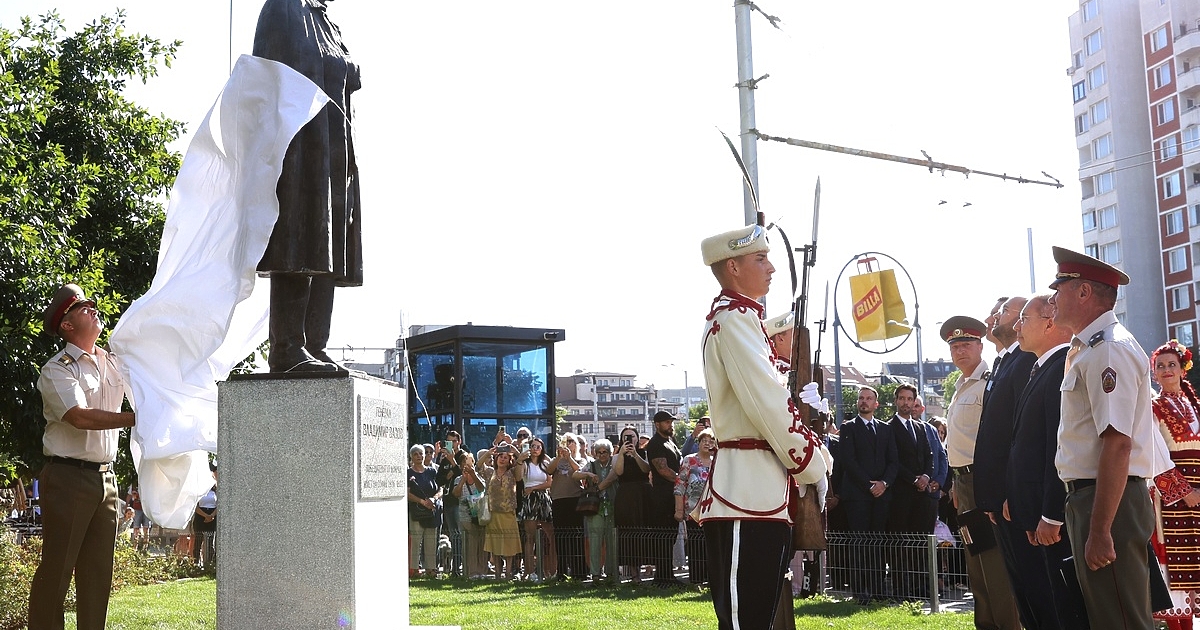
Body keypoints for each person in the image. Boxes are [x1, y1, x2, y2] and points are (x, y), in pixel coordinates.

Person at [697, 225, 830, 629]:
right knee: (745, 619)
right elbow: (768, 403)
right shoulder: (735, 318)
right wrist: (811, 462)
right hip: (746, 494)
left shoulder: (744, 318)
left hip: (760, 493)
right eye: (760, 259)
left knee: (758, 612)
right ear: (733, 266)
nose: (771, 268)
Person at [1049, 246, 1161, 630]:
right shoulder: (1091, 347)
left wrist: (1099, 530)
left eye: (1059, 288)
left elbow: (1118, 444)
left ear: (1083, 293)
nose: (1052, 299)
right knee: (1107, 617)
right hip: (1094, 498)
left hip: (1107, 500)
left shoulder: (1108, 348)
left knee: (1121, 620)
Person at [252, 0, 363, 372]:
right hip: (299, 146)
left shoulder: (326, 21)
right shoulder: (283, 8)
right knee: (298, 243)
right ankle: (286, 346)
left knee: (329, 245)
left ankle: (316, 344)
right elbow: (260, 80)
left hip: (334, 149)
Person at [28, 283, 136, 630]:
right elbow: (79, 416)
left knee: (97, 576)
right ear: (67, 325)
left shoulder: (114, 361)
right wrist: (135, 420)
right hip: (68, 476)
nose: (93, 309)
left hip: (106, 478)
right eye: (83, 308)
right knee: (57, 571)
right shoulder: (58, 368)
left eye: (92, 304)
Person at [1005, 294, 1090, 630]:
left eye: (1023, 318)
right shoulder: (1042, 368)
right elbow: (1025, 445)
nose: (1016, 326)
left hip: (1053, 519)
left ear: (1049, 322)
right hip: (1035, 512)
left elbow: (1058, 448)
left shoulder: (1059, 370)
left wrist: (1050, 514)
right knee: (1049, 600)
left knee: (1065, 607)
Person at [941, 315, 1020, 630]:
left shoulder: (990, 381)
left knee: (995, 566)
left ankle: (1007, 624)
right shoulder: (961, 385)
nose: (960, 351)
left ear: (980, 345)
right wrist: (956, 487)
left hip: (984, 479)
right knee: (976, 565)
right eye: (954, 346)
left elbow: (1000, 438)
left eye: (966, 344)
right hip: (963, 482)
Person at [976, 296, 1043, 628]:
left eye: (1002, 311)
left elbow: (1020, 436)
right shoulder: (1003, 363)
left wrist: (1007, 492)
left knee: (1033, 585)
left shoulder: (1024, 361)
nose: (993, 317)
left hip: (1013, 497)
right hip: (1000, 497)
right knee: (1021, 586)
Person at [1148, 340, 1200, 630]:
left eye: (1172, 364)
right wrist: (1184, 491)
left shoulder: (1196, 406)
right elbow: (1155, 454)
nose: (1166, 370)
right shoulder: (1153, 408)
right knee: (1176, 580)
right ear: (1154, 373)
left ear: (1183, 369)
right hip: (1171, 502)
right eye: (1160, 366)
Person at [835, 385, 898, 603]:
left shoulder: (885, 429)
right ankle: (860, 591)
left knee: (878, 543)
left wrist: (884, 483)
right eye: (861, 398)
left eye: (868, 398)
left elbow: (893, 461)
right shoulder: (849, 428)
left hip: (882, 495)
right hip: (857, 495)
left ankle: (879, 589)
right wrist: (869, 485)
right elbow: (848, 461)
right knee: (860, 543)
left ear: (876, 404)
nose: (864, 401)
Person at [885, 383, 936, 598]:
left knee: (920, 542)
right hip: (900, 494)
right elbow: (892, 460)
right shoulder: (888, 428)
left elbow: (929, 456)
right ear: (896, 401)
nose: (906, 403)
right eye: (902, 398)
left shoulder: (921, 428)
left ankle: (920, 587)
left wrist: (925, 476)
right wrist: (913, 479)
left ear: (914, 402)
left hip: (922, 495)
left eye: (909, 399)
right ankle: (901, 588)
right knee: (900, 543)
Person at [573, 439, 619, 583]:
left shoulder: (615, 464)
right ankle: (595, 573)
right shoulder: (591, 464)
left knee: (612, 540)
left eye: (604, 452)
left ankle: (611, 572)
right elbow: (575, 475)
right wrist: (589, 475)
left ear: (610, 452)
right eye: (598, 452)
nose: (602, 455)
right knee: (595, 539)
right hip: (595, 507)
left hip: (613, 504)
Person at [646, 410, 683, 587]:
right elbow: (663, 470)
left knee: (671, 537)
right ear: (657, 424)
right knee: (663, 537)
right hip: (662, 496)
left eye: (671, 422)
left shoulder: (671, 441)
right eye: (667, 422)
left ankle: (667, 575)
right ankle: (662, 577)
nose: (671, 425)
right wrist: (682, 480)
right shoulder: (655, 444)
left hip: (673, 494)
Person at [675, 427, 714, 585]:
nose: (707, 443)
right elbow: (680, 485)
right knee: (695, 544)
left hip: (712, 510)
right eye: (703, 440)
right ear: (698, 443)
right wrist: (678, 509)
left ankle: (710, 578)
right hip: (693, 510)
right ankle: (696, 578)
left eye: (710, 440)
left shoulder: (718, 461)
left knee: (710, 545)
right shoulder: (689, 460)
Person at [613, 424, 650, 582]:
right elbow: (618, 472)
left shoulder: (644, 453)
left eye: (632, 436)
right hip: (625, 496)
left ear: (637, 438)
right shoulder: (617, 455)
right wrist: (622, 453)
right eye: (626, 437)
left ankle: (645, 568)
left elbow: (646, 469)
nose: (629, 440)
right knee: (627, 532)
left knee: (643, 530)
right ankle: (633, 573)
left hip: (642, 495)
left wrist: (635, 454)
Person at [548, 433, 587, 580]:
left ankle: (579, 572)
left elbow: (580, 471)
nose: (568, 444)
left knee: (576, 536)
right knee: (561, 537)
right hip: (559, 500)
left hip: (575, 500)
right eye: (566, 441)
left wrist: (569, 457)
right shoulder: (555, 460)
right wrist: (559, 457)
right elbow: (549, 470)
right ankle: (562, 572)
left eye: (572, 441)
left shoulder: (580, 459)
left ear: (576, 445)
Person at [518, 437, 556, 580]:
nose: (535, 449)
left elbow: (549, 483)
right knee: (530, 537)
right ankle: (529, 571)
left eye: (538, 446)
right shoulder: (525, 464)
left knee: (551, 534)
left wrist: (534, 487)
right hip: (529, 500)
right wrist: (520, 459)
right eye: (532, 446)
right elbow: (519, 477)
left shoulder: (545, 464)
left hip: (543, 498)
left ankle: (552, 571)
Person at [484, 446, 523, 580]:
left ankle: (508, 572)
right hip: (493, 512)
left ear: (509, 460)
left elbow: (521, 468)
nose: (502, 459)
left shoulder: (513, 472)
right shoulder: (490, 472)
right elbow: (478, 466)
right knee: (495, 544)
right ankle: (497, 573)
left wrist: (514, 449)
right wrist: (488, 453)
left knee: (509, 544)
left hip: (508, 512)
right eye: (500, 456)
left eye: (506, 457)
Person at [452, 453, 489, 580]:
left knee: (482, 543)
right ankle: (471, 571)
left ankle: (482, 571)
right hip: (465, 516)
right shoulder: (457, 479)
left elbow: (482, 488)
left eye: (468, 462)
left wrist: (472, 475)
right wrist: (463, 479)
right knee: (471, 543)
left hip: (480, 515)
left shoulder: (478, 476)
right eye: (463, 463)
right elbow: (456, 494)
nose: (465, 465)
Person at [407, 444, 441, 578]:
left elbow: (440, 488)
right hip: (417, 511)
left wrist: (433, 499)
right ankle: (414, 569)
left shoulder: (432, 471)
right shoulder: (409, 473)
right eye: (415, 454)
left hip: (431, 510)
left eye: (421, 454)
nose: (419, 456)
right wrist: (422, 502)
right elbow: (407, 493)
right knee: (416, 540)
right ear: (411, 457)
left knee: (431, 540)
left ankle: (431, 569)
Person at [191, 463, 217, 568]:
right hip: (201, 515)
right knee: (198, 540)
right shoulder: (199, 490)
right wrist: (205, 515)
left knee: (210, 541)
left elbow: (219, 504)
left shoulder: (215, 490)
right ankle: (196, 562)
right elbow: (195, 506)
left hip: (212, 515)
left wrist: (211, 515)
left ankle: (209, 563)